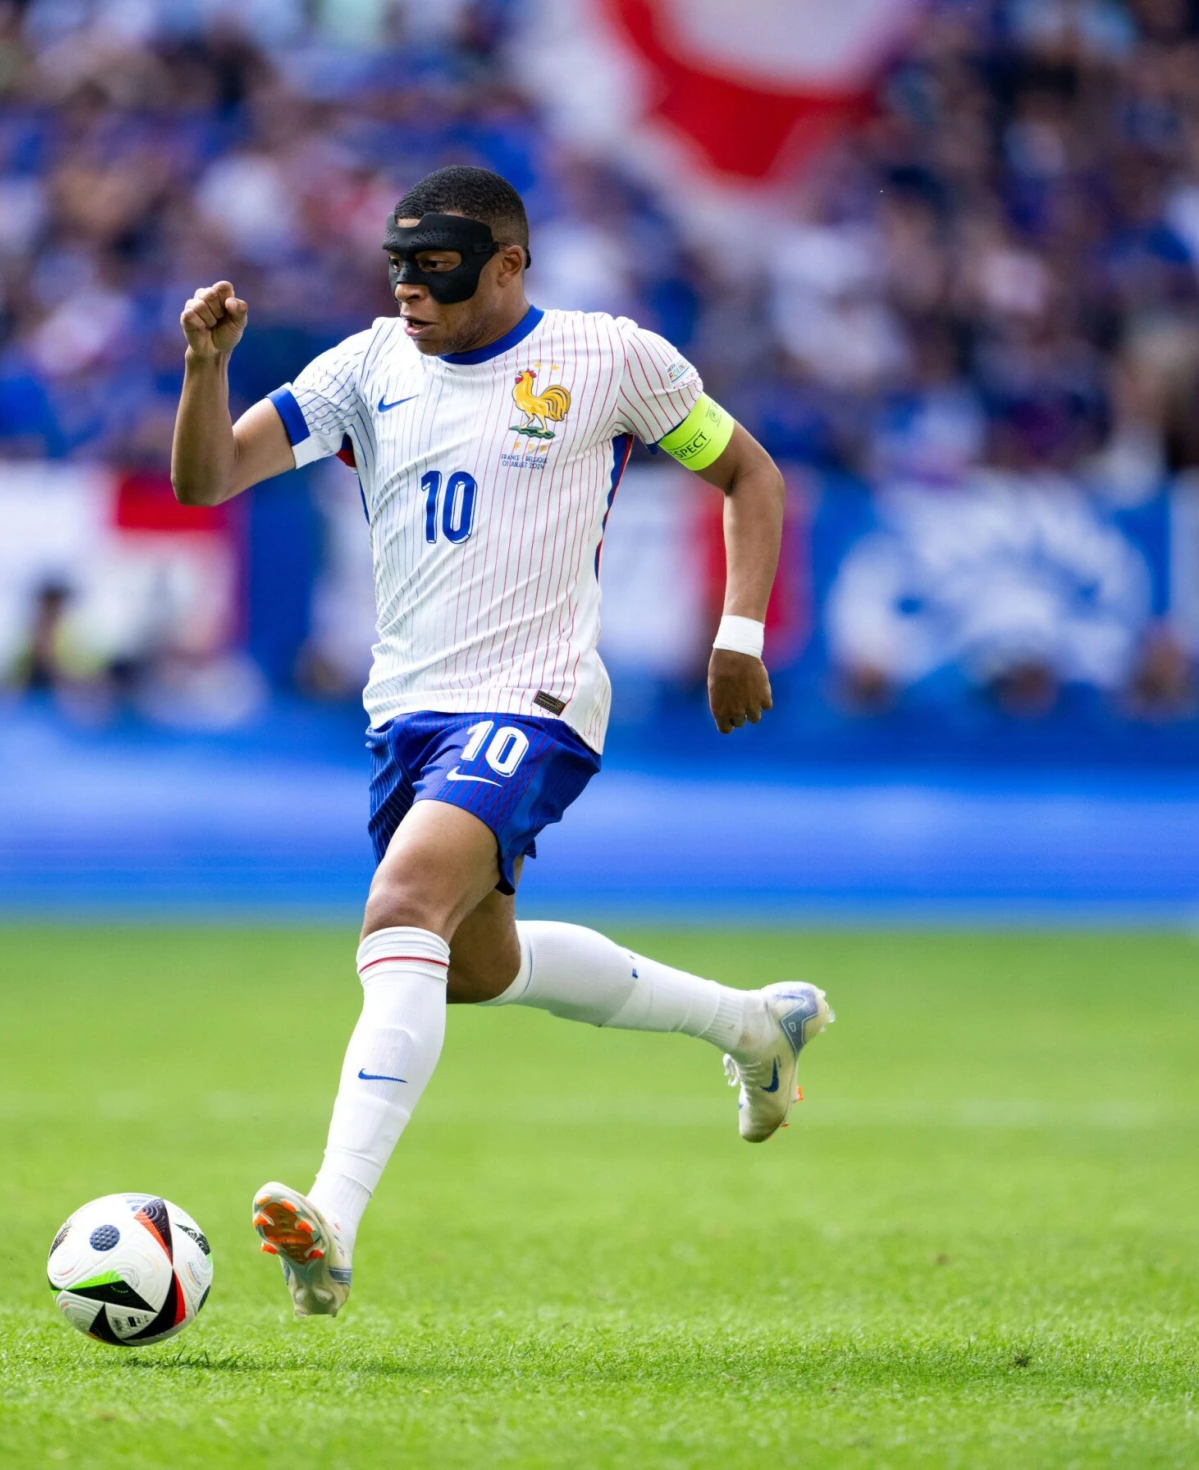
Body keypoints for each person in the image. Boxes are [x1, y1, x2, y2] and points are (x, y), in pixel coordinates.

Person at [170, 166, 835, 1319]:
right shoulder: (364, 368)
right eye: (399, 269)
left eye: (441, 270)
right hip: (409, 716)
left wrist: (738, 631)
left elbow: (748, 473)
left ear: (511, 266)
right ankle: (751, 1025)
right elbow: (207, 478)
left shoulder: (609, 358)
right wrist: (205, 367)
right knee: (474, 965)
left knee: (399, 909)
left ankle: (330, 1217)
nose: (413, 293)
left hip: (536, 701)